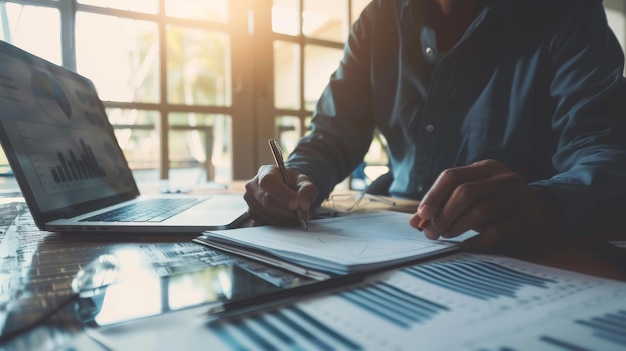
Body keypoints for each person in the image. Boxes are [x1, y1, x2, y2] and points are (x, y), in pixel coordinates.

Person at [245, 0, 626, 251]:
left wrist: (546, 202)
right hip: (385, 237)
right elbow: (332, 134)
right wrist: (297, 177)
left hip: (510, 249)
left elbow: (605, 154)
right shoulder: (379, 19)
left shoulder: (565, 13)